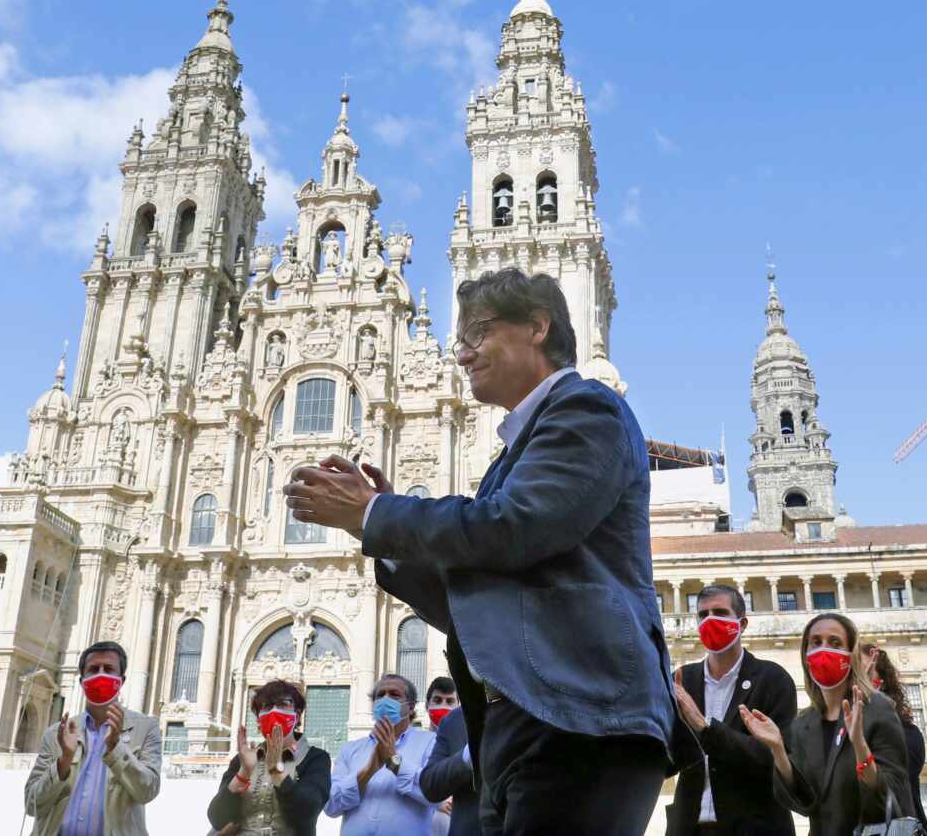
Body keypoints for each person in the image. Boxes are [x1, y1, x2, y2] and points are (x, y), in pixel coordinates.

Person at [286, 268, 696, 835]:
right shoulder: (512, 455)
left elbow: (512, 528)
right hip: (526, 726)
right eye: (458, 340)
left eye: (476, 333)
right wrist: (378, 532)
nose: (461, 354)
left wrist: (380, 514)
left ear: (536, 327)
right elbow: (474, 600)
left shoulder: (585, 410)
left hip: (581, 717)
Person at [741, 613, 913, 836]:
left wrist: (860, 747)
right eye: (816, 642)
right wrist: (778, 750)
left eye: (835, 642)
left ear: (850, 654)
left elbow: (894, 794)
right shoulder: (803, 723)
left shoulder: (876, 708)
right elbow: (803, 803)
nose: (824, 649)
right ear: (805, 655)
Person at [667, 584, 796, 836]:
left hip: (755, 828)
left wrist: (704, 727)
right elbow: (667, 758)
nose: (710, 620)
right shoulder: (683, 681)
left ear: (742, 623)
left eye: (720, 612)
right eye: (703, 615)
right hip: (690, 827)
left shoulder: (772, 679)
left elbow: (777, 761)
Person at [24, 642, 162, 836]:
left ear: (121, 680)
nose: (100, 674)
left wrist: (116, 748)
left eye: (109, 669)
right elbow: (32, 805)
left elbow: (147, 791)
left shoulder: (147, 728)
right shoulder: (58, 733)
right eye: (93, 669)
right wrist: (63, 762)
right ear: (82, 681)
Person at [207, 679, 331, 836]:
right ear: (259, 719)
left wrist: (277, 773)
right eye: (266, 706)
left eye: (282, 704)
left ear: (297, 715)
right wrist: (243, 774)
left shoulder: (316, 758)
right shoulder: (243, 760)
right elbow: (217, 818)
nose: (273, 711)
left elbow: (307, 812)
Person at [324, 673, 439, 834]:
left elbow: (435, 794)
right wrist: (368, 771)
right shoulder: (350, 749)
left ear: (411, 706)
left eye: (394, 695)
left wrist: (394, 762)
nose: (385, 700)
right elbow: (331, 806)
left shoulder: (431, 743)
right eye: (380, 695)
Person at [860, 644, 927, 834]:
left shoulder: (908, 733)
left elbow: (896, 775)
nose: (858, 679)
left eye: (863, 672)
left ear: (880, 682)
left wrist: (869, 701)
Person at [419, 677, 477, 836]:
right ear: (426, 705)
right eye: (437, 700)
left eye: (449, 701)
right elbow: (428, 783)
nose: (443, 706)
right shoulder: (451, 724)